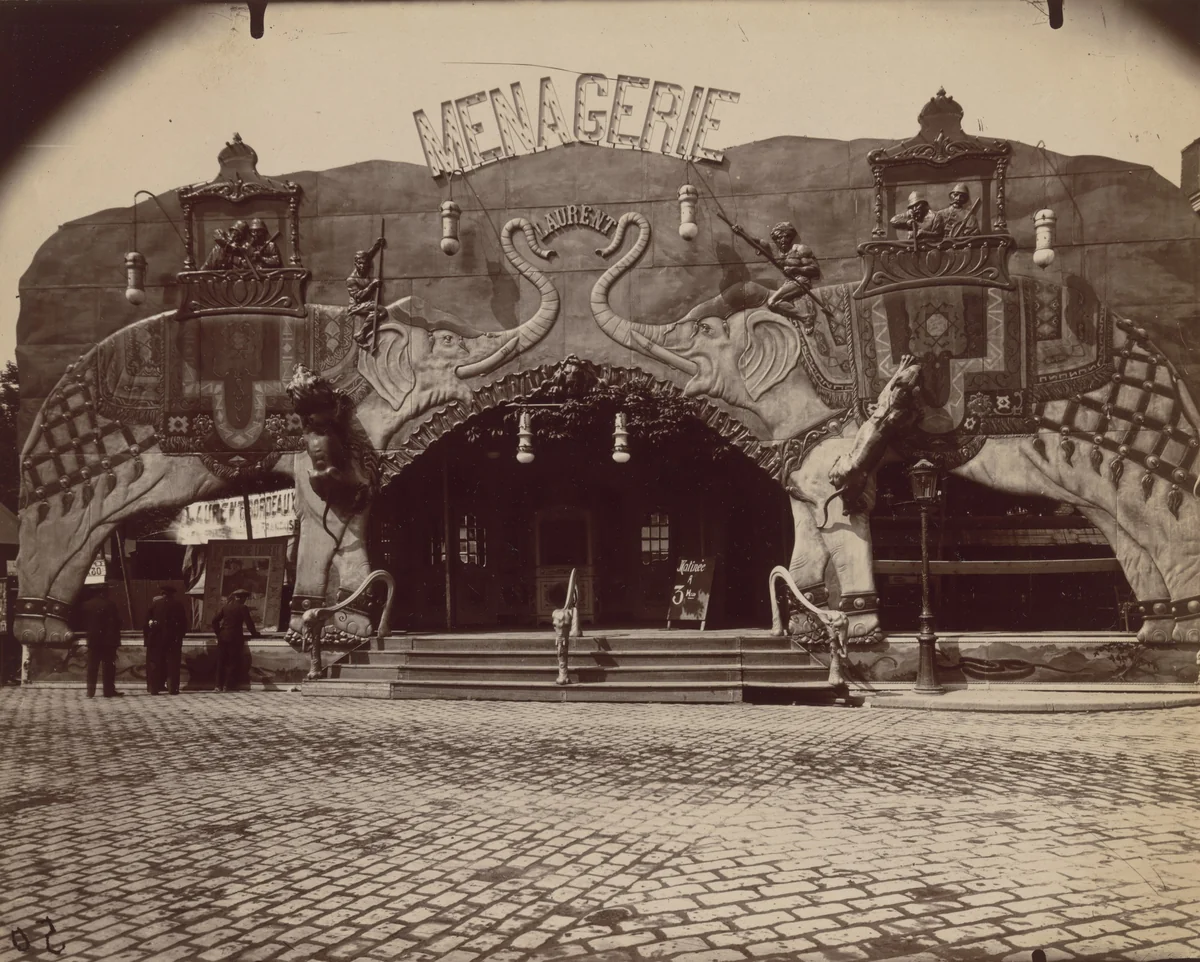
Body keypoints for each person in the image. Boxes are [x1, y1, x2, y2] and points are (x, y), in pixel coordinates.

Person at [760, 222, 822, 321]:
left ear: (791, 237)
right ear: (776, 239)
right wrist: (740, 231)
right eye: (780, 238)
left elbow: (815, 270)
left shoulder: (800, 249)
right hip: (789, 283)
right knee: (776, 303)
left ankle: (806, 318)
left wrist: (796, 269)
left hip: (801, 281)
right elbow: (759, 243)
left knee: (771, 301)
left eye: (787, 237)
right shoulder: (779, 252)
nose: (783, 240)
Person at [211, 588, 259, 692]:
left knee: (221, 661)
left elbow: (214, 621)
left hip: (223, 637)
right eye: (245, 598)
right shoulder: (243, 607)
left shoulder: (225, 607)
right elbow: (249, 623)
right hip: (235, 638)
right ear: (241, 598)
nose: (245, 600)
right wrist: (255, 634)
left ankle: (217, 685)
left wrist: (218, 632)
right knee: (232, 661)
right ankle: (228, 685)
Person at [145, 585, 189, 695]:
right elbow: (183, 623)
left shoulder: (155, 604)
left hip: (156, 639)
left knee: (155, 663)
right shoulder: (178, 605)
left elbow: (146, 622)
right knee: (173, 664)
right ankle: (172, 688)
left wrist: (148, 638)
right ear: (173, 594)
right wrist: (180, 636)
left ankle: (154, 688)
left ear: (162, 593)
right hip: (173, 639)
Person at [81, 584, 122, 698]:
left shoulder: (86, 605)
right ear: (102, 592)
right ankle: (108, 691)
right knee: (108, 666)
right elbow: (116, 623)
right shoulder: (109, 604)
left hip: (93, 640)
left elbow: (83, 623)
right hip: (108, 641)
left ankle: (90, 692)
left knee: (92, 666)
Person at [348, 236, 388, 348]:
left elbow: (368, 256)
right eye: (360, 264)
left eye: (365, 263)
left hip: (366, 303)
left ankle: (362, 333)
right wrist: (372, 286)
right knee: (382, 311)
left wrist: (377, 245)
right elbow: (358, 297)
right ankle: (361, 334)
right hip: (356, 306)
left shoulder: (364, 267)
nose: (363, 266)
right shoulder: (351, 280)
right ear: (355, 264)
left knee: (379, 311)